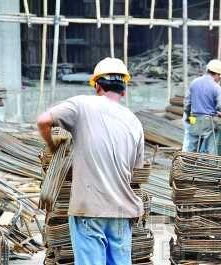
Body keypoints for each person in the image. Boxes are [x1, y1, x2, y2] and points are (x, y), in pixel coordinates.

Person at [37, 57, 144, 265]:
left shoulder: (82, 105)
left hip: (89, 210)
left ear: (96, 85)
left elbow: (43, 121)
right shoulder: (135, 122)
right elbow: (135, 170)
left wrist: (52, 145)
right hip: (123, 211)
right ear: (124, 89)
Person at [183, 59, 221, 154]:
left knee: (192, 148)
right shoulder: (216, 87)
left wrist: (188, 117)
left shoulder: (194, 83)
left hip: (194, 119)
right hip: (209, 122)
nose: (219, 79)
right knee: (211, 148)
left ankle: (188, 166)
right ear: (218, 74)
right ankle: (211, 166)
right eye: (220, 77)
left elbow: (187, 104)